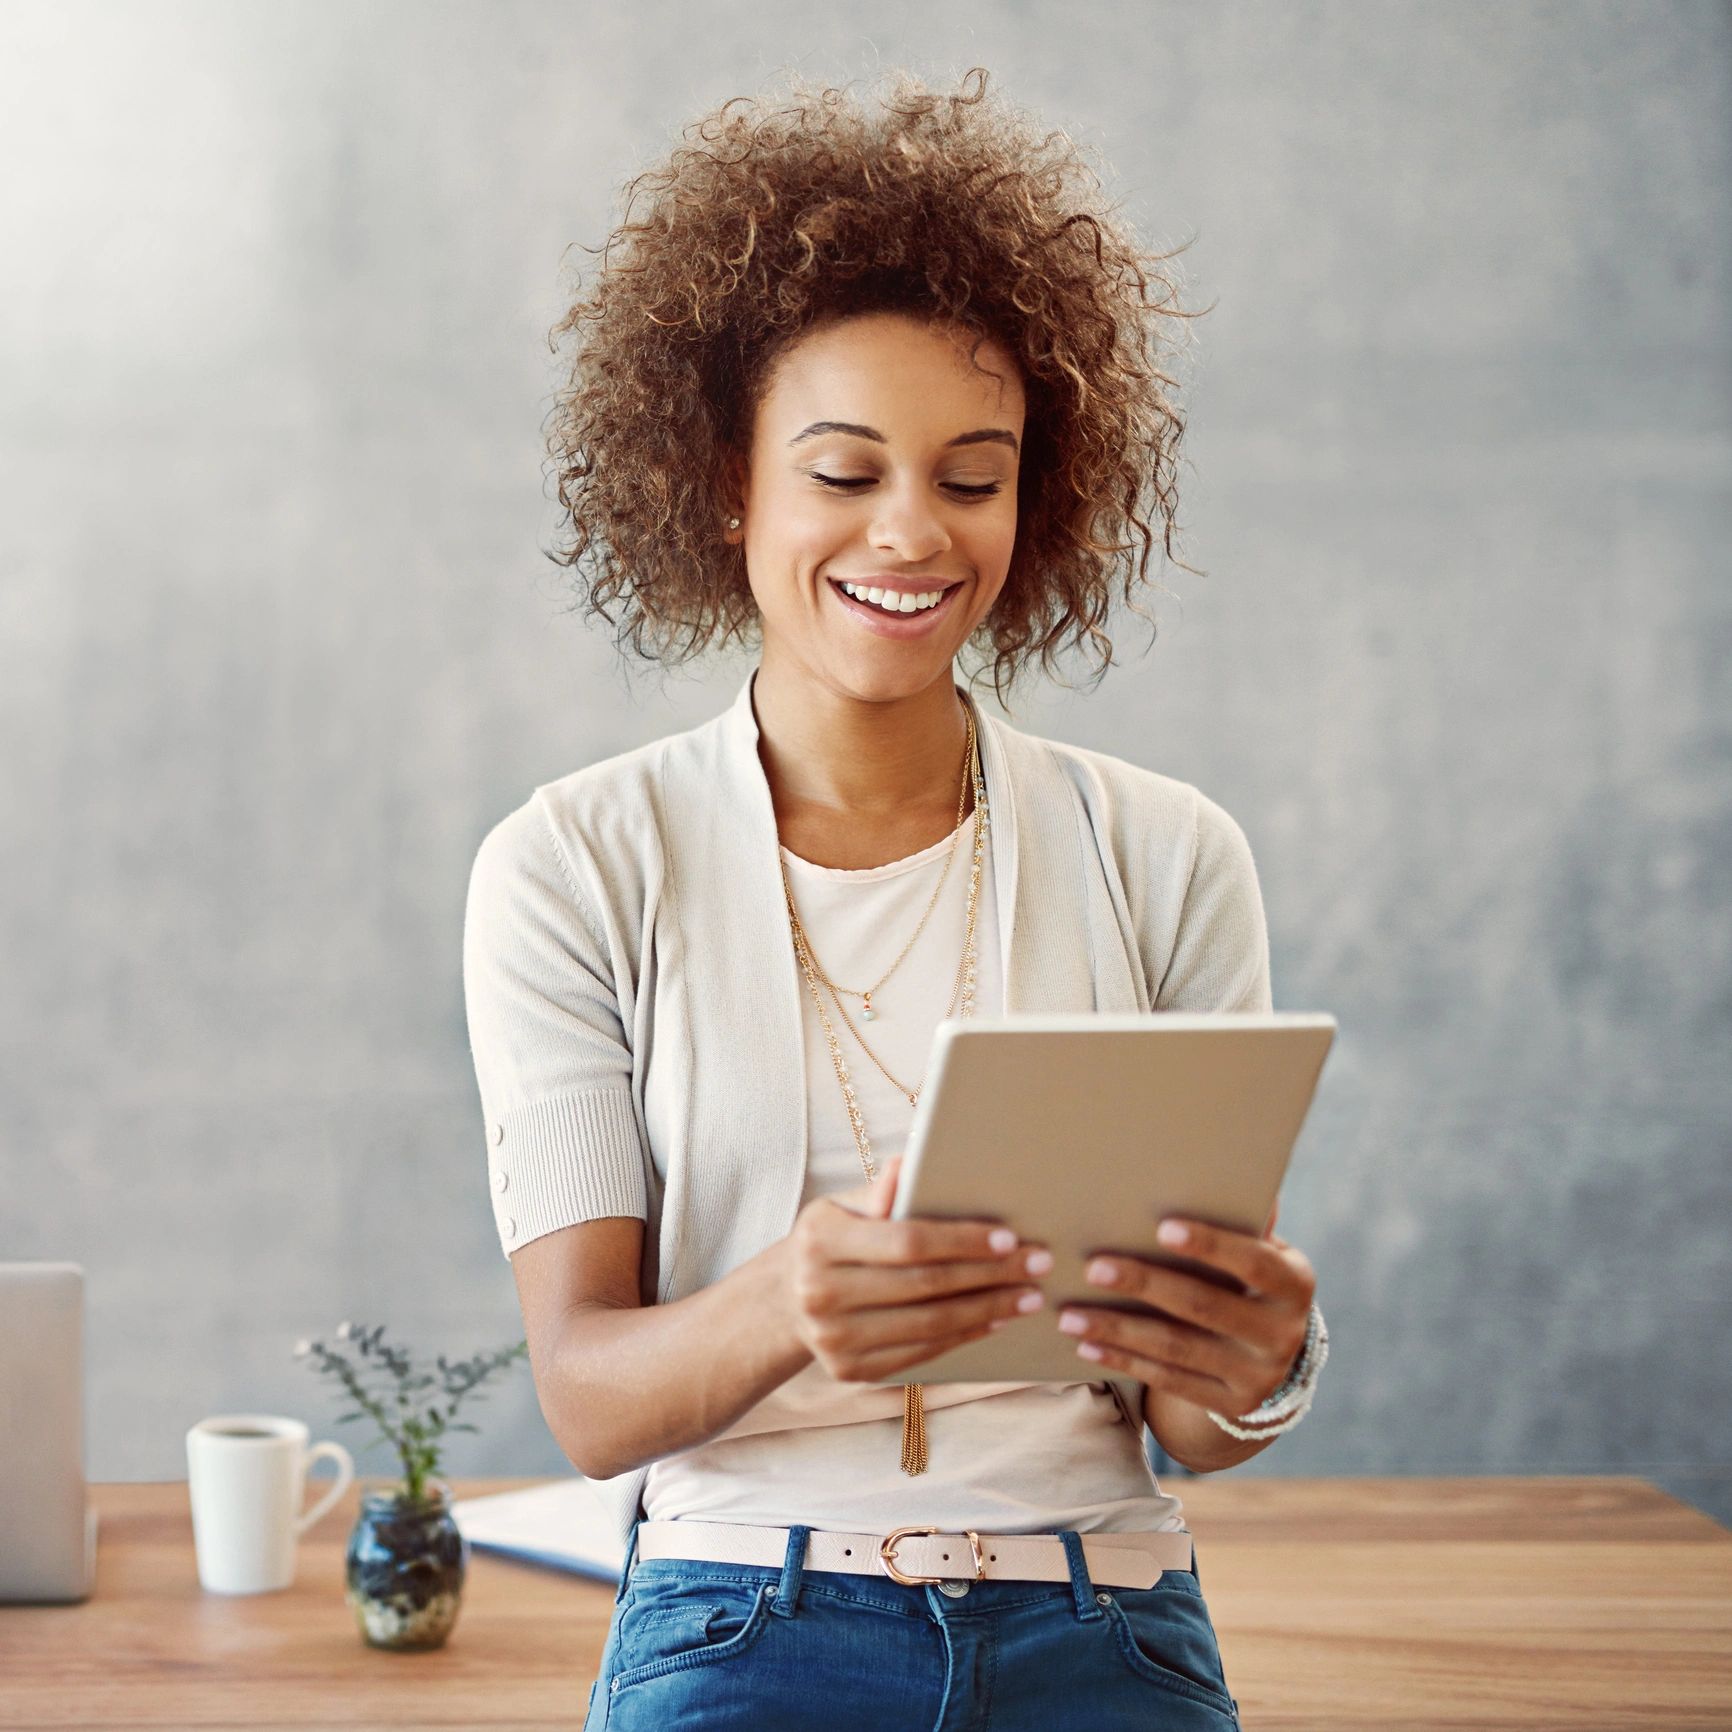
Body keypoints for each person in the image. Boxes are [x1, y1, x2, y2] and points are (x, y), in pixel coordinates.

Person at [462, 64, 1326, 1731]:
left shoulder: (1169, 854)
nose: (914, 533)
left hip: (1107, 1609)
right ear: (731, 484)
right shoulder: (574, 867)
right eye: (845, 472)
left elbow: (1191, 1425)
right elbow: (585, 1401)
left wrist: (1259, 1367)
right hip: (738, 1612)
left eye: (973, 475)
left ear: (1037, 494)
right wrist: (791, 1298)